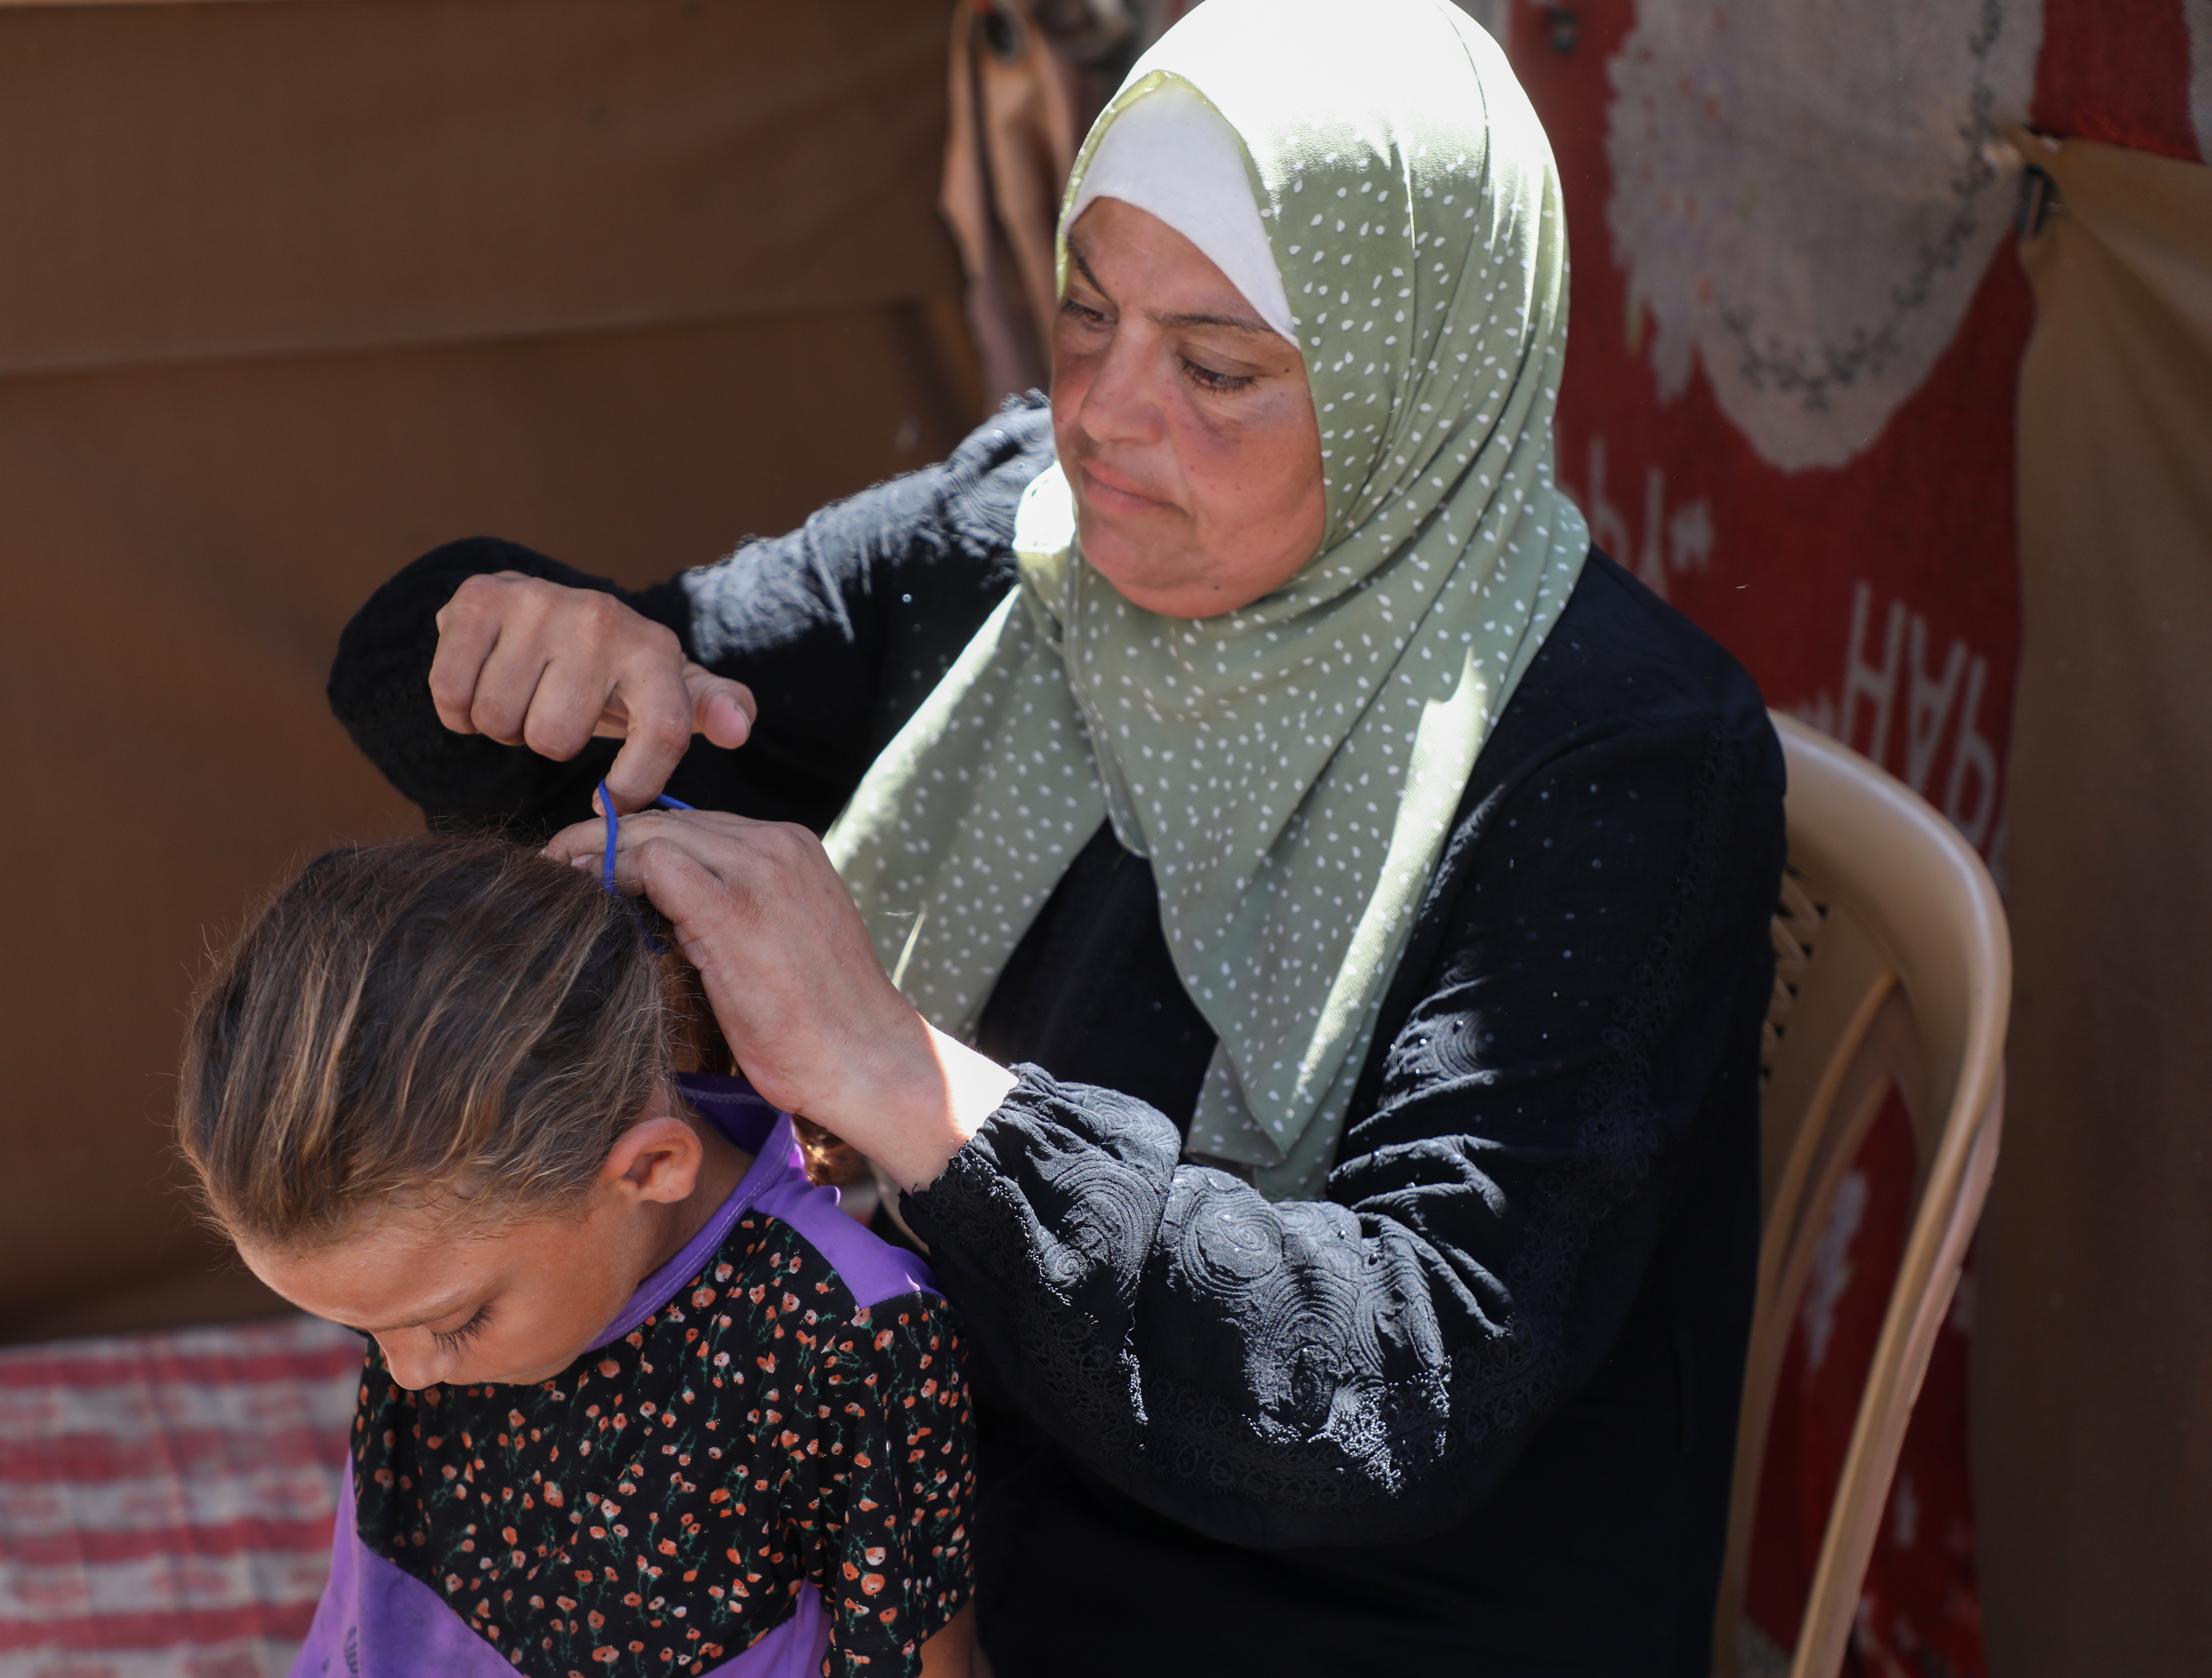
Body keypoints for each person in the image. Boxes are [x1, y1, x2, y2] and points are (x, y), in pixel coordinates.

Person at [324, 0, 1786, 1670]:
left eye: (1220, 366)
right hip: (953, 1494)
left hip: (1334, 1608)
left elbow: (1399, 1390)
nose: (1105, 411)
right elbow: (525, 712)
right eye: (1088, 312)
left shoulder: (1612, 762)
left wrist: (911, 1086)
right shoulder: (1018, 554)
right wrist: (533, 642)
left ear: (1422, 376)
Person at [175, 835, 978, 1678]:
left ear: (650, 1169)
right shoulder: (430, 1270)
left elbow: (921, 1660)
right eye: (363, 1332)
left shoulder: (850, 1335)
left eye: (456, 1323)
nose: (405, 1375)